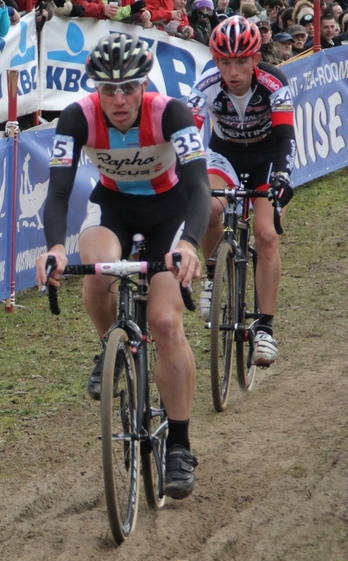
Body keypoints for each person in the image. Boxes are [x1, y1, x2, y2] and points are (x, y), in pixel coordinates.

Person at [35, 32, 211, 500]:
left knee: (165, 322)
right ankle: (109, 346)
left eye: (128, 88)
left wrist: (191, 244)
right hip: (112, 208)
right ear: (95, 87)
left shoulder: (169, 113)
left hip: (170, 211)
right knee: (96, 267)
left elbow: (198, 189)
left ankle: (179, 444)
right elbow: (56, 193)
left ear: (143, 85)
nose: (117, 99)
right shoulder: (77, 117)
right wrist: (54, 246)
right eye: (107, 88)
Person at [187, 15, 296, 366]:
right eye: (225, 62)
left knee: (265, 235)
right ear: (216, 61)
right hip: (225, 154)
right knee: (210, 207)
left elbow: (285, 137)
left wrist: (282, 176)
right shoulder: (205, 84)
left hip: (266, 157)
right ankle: (212, 271)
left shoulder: (273, 82)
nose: (233, 72)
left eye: (241, 62)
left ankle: (265, 327)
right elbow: (188, 134)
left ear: (255, 59)